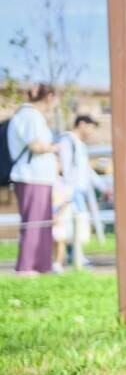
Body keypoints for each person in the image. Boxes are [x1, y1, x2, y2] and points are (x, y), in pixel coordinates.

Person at [6, 84, 60, 275]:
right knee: (35, 222)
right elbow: (36, 145)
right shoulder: (31, 115)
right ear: (49, 97)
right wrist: (55, 148)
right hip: (32, 176)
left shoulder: (27, 115)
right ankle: (27, 266)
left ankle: (42, 264)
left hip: (38, 177)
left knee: (42, 221)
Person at [57, 114, 104, 266]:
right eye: (90, 127)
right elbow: (65, 168)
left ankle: (76, 256)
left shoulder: (80, 145)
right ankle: (74, 258)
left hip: (78, 190)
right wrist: (67, 191)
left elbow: (87, 171)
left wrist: (104, 187)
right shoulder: (67, 141)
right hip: (71, 190)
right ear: (82, 124)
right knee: (71, 225)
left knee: (78, 224)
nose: (91, 131)